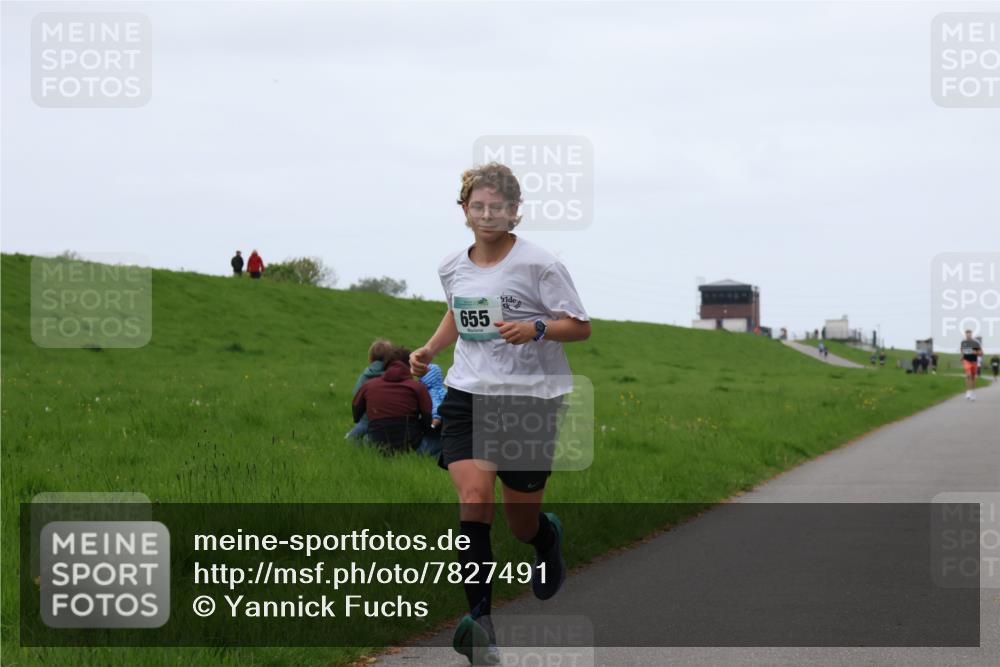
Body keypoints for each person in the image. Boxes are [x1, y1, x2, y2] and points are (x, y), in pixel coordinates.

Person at [409, 163, 591, 665]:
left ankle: (545, 537)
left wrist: (536, 328)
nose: (487, 214)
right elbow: (457, 311)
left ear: (514, 212)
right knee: (473, 498)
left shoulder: (540, 265)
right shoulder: (452, 265)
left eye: (498, 206)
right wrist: (428, 348)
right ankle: (481, 627)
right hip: (468, 392)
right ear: (464, 209)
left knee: (520, 522)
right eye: (478, 205)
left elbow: (578, 327)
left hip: (530, 399)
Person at [352, 347, 433, 454]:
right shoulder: (418, 387)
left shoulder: (368, 385)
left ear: (386, 365)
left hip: (376, 444)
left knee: (354, 441)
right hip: (410, 445)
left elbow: (356, 415)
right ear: (409, 365)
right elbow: (427, 419)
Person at [345, 338, 395, 441]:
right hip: (392, 421)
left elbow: (356, 396)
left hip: (366, 419)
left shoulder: (364, 376)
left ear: (370, 358)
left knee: (351, 440)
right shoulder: (394, 377)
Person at [417, 363, 446, 457]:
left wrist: (433, 424)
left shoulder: (430, 392)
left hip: (435, 426)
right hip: (446, 426)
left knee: (428, 450)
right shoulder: (444, 390)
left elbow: (436, 406)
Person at [959, 330, 984, 401]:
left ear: (971, 335)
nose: (968, 336)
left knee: (973, 378)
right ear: (965, 335)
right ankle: (968, 392)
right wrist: (962, 356)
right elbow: (962, 351)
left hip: (974, 361)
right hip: (966, 361)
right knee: (968, 375)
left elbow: (981, 353)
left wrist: (975, 352)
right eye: (967, 335)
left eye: (969, 335)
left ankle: (973, 393)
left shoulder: (975, 343)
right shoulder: (963, 342)